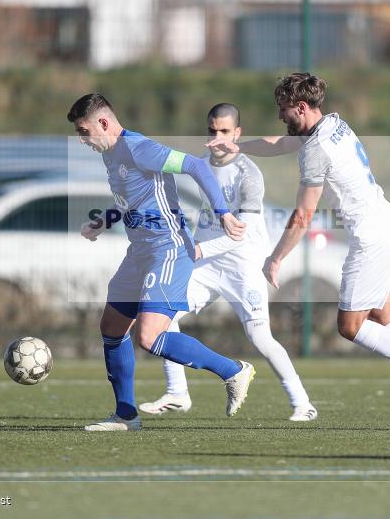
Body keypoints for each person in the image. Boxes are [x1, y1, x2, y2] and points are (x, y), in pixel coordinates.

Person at [207, 73, 390, 431]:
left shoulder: (315, 151)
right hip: (388, 221)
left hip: (370, 236)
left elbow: (303, 214)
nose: (280, 116)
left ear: (301, 108)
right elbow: (280, 144)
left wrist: (275, 258)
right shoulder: (333, 124)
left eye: (284, 109)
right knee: (384, 314)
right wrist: (239, 147)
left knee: (350, 326)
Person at [68, 93, 256, 431]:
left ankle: (234, 371)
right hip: (139, 251)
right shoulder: (111, 155)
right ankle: (126, 415)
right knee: (111, 327)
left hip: (167, 249)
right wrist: (102, 222)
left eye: (84, 132)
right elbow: (133, 200)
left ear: (104, 123)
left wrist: (224, 213)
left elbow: (196, 166)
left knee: (150, 336)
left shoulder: (138, 148)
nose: (83, 140)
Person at [139, 103, 318, 422]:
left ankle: (302, 403)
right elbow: (205, 214)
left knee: (261, 338)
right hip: (207, 266)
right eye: (212, 131)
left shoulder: (249, 174)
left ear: (237, 133)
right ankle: (178, 393)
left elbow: (241, 235)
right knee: (163, 317)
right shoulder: (201, 165)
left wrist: (198, 250)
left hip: (242, 265)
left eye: (224, 131)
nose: (217, 138)